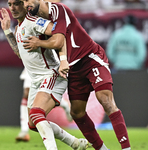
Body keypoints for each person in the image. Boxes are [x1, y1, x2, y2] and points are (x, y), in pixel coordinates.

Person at [21, 0, 131, 150]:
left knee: (105, 99)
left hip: (90, 58)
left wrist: (40, 44)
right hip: (73, 69)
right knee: (77, 112)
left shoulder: (57, 9)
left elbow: (59, 40)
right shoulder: (36, 20)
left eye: (28, 0)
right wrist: (9, 31)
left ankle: (126, 148)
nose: (26, 4)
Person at [0, 0, 89, 150]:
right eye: (10, 4)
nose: (13, 8)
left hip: (51, 74)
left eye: (17, 3)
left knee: (36, 113)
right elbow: (21, 54)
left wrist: (63, 59)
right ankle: (75, 143)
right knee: (33, 124)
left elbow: (60, 35)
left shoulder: (34, 21)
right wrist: (7, 31)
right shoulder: (19, 27)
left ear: (25, 5)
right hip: (36, 81)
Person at [16, 68, 72, 142]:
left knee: (45, 93)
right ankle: (24, 130)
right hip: (31, 62)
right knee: (26, 93)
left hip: (44, 64)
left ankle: (64, 104)